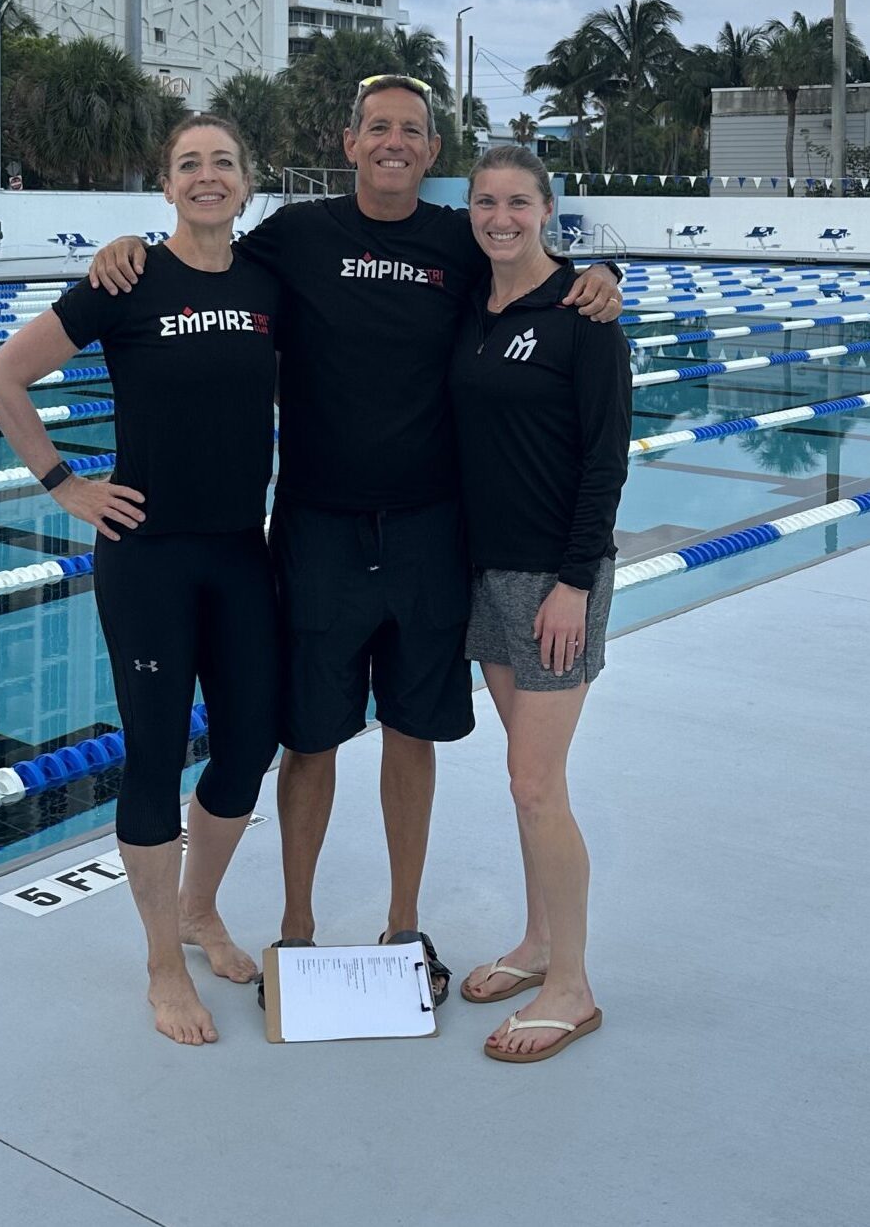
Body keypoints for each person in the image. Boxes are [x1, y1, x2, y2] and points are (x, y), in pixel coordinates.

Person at [88, 77, 623, 1004]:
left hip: (426, 531)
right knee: (311, 738)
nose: (392, 142)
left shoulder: (461, 238)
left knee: (411, 732)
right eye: (377, 127)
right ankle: (296, 926)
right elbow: (202, 251)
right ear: (349, 142)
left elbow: (530, 256)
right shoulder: (298, 235)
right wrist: (130, 245)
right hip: (317, 529)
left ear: (429, 150)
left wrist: (601, 277)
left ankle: (401, 921)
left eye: (410, 131)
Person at [0, 116, 281, 1046]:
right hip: (148, 557)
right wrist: (65, 483)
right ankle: (160, 962)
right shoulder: (127, 276)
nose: (206, 176)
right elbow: (2, 377)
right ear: (165, 185)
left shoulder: (271, 279)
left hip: (240, 550)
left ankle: (200, 908)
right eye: (189, 163)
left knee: (247, 745)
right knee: (153, 753)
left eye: (222, 162)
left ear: (247, 181)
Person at [451, 145, 631, 1061]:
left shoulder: (581, 316)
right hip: (484, 574)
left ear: (547, 209)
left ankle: (573, 986)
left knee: (533, 783)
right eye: (486, 202)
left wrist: (574, 581)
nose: (500, 217)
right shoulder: (470, 305)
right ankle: (535, 944)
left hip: (554, 580)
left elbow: (604, 460)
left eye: (518, 202)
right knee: (527, 782)